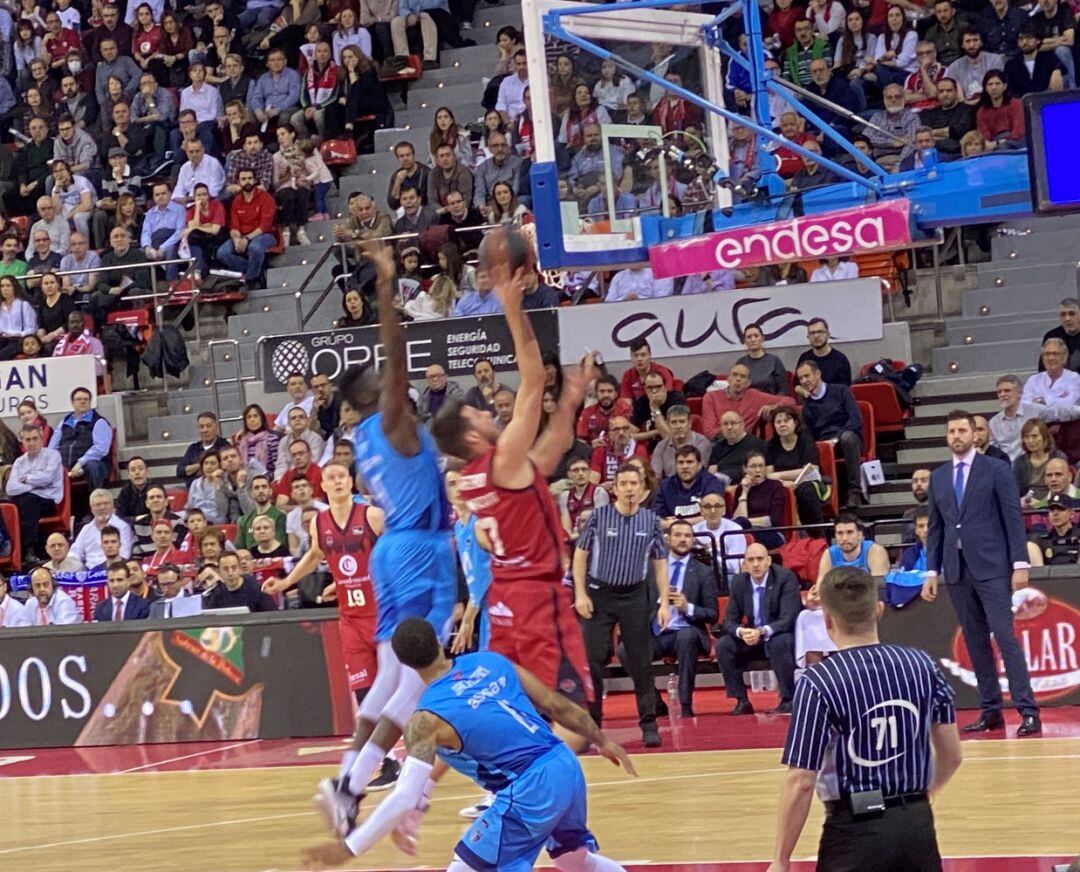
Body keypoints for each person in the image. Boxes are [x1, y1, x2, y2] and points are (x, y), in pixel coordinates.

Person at [313, 239, 457, 838]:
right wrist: (386, 283)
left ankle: (346, 779)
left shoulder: (369, 439)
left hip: (394, 551)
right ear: (372, 396)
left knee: (393, 680)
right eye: (381, 379)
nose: (389, 377)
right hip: (422, 552)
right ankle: (361, 780)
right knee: (423, 679)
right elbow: (397, 355)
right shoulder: (393, 420)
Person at [303, 618, 635, 871]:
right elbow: (556, 705)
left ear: (404, 665)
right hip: (564, 765)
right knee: (573, 860)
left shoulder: (425, 719)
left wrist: (349, 848)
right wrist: (602, 739)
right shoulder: (491, 661)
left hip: (530, 786)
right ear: (438, 641)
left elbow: (404, 795)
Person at [767, 566, 962, 872]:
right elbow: (952, 756)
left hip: (854, 831)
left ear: (828, 620)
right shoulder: (923, 665)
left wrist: (781, 859)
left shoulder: (819, 681)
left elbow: (801, 781)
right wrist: (923, 797)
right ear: (879, 610)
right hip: (917, 826)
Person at [922, 409, 1041, 737]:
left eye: (963, 430)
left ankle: (1028, 710)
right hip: (957, 570)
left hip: (992, 567)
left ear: (974, 434)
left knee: (1004, 636)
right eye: (952, 431)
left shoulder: (996, 469)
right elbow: (936, 528)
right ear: (946, 436)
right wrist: (931, 571)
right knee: (975, 641)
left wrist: (1020, 564)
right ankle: (991, 711)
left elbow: (1012, 517)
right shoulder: (940, 477)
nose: (957, 436)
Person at [571, 462, 670, 746]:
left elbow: (660, 564)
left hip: (635, 595)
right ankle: (592, 727)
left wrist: (663, 603)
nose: (629, 489)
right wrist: (580, 594)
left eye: (634, 484)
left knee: (641, 661)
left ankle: (649, 723)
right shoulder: (598, 517)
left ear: (642, 489)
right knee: (591, 661)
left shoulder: (651, 521)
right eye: (623, 484)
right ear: (614, 489)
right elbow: (580, 556)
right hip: (599, 594)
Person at [627, 519, 717, 717]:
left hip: (688, 630)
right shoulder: (651, 569)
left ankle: (685, 705)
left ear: (693, 540)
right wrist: (659, 604)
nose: (683, 540)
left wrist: (687, 607)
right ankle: (654, 701)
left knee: (686, 638)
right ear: (668, 539)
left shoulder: (704, 572)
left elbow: (713, 614)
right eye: (678, 535)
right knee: (625, 649)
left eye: (687, 536)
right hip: (658, 632)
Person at [715, 542, 801, 716]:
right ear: (744, 564)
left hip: (777, 635)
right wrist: (742, 632)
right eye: (751, 560)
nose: (755, 564)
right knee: (724, 644)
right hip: (752, 638)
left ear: (768, 561)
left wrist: (762, 631)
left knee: (782, 641)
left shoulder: (785, 578)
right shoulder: (740, 582)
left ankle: (788, 699)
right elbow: (729, 621)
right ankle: (741, 700)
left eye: (760, 559)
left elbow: (788, 618)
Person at [797, 359, 866, 507]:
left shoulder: (841, 391)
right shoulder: (807, 406)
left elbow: (855, 419)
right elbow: (808, 433)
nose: (804, 381)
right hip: (823, 444)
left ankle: (855, 492)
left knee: (848, 438)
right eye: (801, 378)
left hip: (846, 438)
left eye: (807, 376)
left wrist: (836, 438)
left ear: (818, 374)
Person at [6, 424, 62, 563]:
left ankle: (30, 550)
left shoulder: (53, 455)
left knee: (29, 502)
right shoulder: (19, 462)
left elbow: (47, 478)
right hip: (28, 499)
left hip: (49, 500)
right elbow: (11, 488)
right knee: (8, 505)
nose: (31, 443)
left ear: (41, 439)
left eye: (35, 438)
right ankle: (8, 548)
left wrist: (26, 479)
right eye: (28, 440)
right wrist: (34, 486)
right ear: (22, 442)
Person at [216, 168, 277, 291]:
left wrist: (246, 238)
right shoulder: (236, 201)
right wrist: (236, 239)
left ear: (255, 180)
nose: (247, 181)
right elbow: (234, 225)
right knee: (222, 253)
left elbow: (265, 225)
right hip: (242, 235)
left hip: (265, 235)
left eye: (250, 178)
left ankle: (250, 280)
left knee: (254, 248)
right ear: (238, 182)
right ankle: (255, 271)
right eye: (243, 179)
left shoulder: (265, 197)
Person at [702, 363, 797, 438]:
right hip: (719, 442)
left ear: (748, 383)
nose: (738, 379)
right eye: (734, 375)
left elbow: (790, 401)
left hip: (745, 443)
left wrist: (773, 407)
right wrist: (732, 431)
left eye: (742, 377)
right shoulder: (711, 397)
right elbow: (709, 432)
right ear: (728, 379)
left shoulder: (754, 396)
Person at [48, 386, 114, 491]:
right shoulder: (64, 422)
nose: (82, 402)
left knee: (91, 465)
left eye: (86, 399)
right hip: (65, 465)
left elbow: (100, 448)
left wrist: (80, 463)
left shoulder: (99, 422)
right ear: (72, 402)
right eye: (79, 399)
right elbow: (53, 446)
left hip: (91, 465)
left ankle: (96, 498)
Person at [654, 445, 729, 527]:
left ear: (699, 465)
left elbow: (715, 515)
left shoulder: (711, 482)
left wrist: (680, 523)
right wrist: (666, 523)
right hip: (674, 534)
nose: (685, 467)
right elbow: (657, 517)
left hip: (704, 532)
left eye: (689, 462)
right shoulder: (665, 485)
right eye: (681, 462)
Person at [816, 513, 891, 582]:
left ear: (860, 535)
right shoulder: (829, 554)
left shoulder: (875, 551)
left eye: (850, 532)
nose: (844, 538)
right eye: (840, 533)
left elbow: (879, 589)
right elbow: (821, 588)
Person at [651, 405, 711, 479]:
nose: (678, 426)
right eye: (674, 422)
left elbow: (698, 474)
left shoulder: (702, 443)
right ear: (668, 424)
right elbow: (655, 476)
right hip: (668, 488)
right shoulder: (661, 446)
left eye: (682, 421)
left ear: (689, 423)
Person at [708, 410, 769, 483]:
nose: (729, 427)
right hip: (723, 487)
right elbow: (711, 474)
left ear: (742, 424)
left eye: (733, 423)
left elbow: (767, 472)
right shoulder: (717, 447)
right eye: (725, 424)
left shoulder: (758, 444)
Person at [204, 551, 276, 611]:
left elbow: (271, 616)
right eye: (226, 569)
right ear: (219, 572)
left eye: (234, 568)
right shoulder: (216, 594)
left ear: (240, 569)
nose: (230, 573)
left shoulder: (256, 589)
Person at [15, 567, 82, 625]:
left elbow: (61, 635)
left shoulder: (63, 602)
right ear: (32, 588)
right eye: (37, 585)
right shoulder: (30, 604)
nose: (42, 589)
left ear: (53, 585)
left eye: (45, 584)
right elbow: (25, 631)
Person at [177, 411, 230, 484]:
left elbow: (228, 468)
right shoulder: (193, 448)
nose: (205, 430)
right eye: (201, 427)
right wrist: (201, 465)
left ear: (216, 427)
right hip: (194, 491)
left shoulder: (224, 446)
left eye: (208, 426)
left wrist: (192, 469)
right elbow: (180, 471)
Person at [737, 324, 789, 396]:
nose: (753, 339)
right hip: (748, 404)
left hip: (771, 403)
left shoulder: (774, 361)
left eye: (756, 336)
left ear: (762, 338)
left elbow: (783, 389)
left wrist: (774, 404)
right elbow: (736, 388)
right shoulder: (741, 363)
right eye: (749, 337)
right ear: (744, 341)